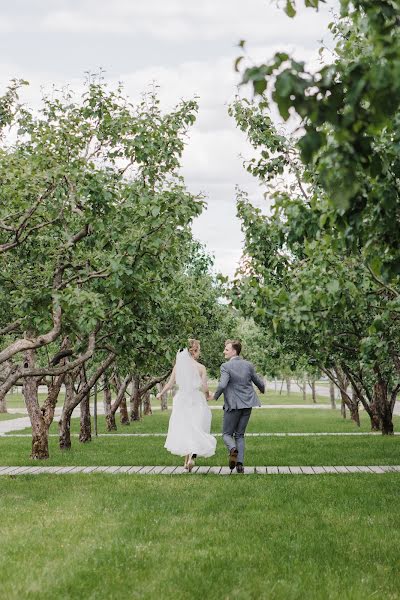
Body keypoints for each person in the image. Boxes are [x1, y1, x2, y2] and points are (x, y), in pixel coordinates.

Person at [157, 339, 216, 471]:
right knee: (197, 426)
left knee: (186, 427)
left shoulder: (178, 367)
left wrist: (161, 393)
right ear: (195, 351)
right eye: (199, 350)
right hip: (196, 399)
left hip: (181, 399)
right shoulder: (201, 368)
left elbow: (170, 383)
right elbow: (205, 386)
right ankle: (191, 458)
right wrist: (208, 395)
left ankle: (186, 461)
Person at [212, 339, 265, 473]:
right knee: (240, 435)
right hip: (248, 404)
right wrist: (262, 389)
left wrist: (215, 396)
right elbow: (258, 381)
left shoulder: (225, 366)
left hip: (233, 404)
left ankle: (232, 450)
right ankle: (240, 464)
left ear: (234, 351)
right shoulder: (248, 365)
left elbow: (223, 384)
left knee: (226, 434)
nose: (224, 351)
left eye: (226, 349)